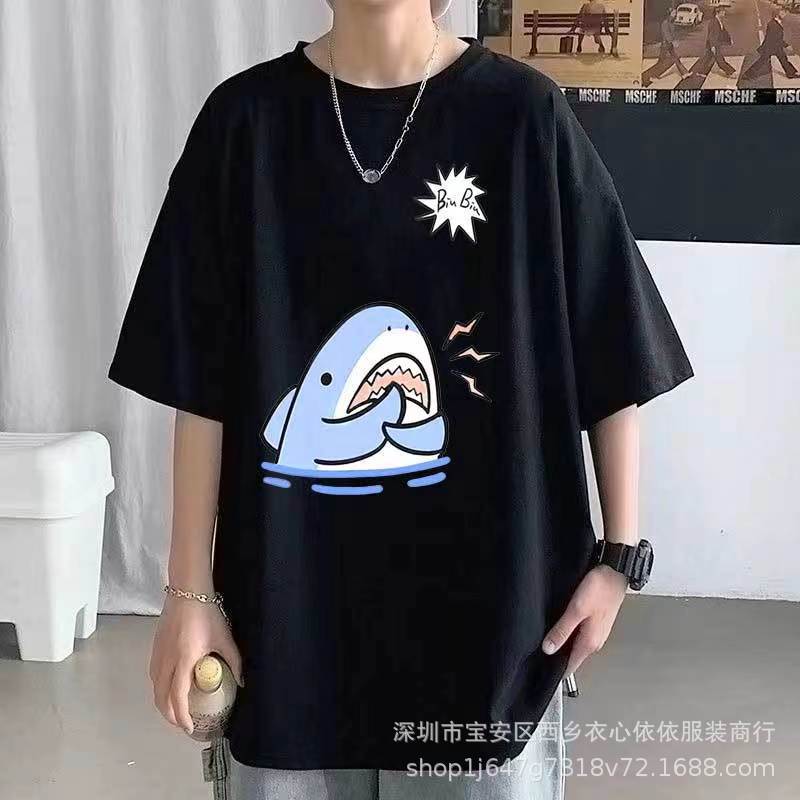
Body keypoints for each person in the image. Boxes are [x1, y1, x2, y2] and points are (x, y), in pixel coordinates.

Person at [109, 0, 693, 797]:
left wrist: (619, 558)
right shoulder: (243, 125)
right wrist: (188, 592)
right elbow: (196, 380)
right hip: (287, 629)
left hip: (495, 639)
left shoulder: (524, 117)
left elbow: (612, 339)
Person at [740, 7, 798, 81]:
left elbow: (777, 38)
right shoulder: (773, 24)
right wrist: (786, 45)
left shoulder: (776, 22)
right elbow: (775, 38)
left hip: (775, 46)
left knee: (783, 59)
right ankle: (748, 75)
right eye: (782, 13)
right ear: (777, 15)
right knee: (762, 61)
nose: (784, 15)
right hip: (770, 47)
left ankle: (790, 73)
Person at [642, 8, 689, 87]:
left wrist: (675, 40)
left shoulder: (671, 22)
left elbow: (673, 33)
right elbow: (667, 34)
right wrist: (673, 41)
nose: (675, 14)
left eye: (675, 13)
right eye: (674, 13)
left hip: (669, 45)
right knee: (661, 62)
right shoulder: (665, 23)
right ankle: (652, 76)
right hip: (665, 45)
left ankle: (684, 73)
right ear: (669, 14)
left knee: (676, 58)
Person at [699, 6, 736, 77]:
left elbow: (723, 31)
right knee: (720, 59)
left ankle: (701, 72)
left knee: (708, 57)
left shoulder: (719, 20)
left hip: (715, 43)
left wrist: (729, 39)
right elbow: (711, 35)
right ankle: (730, 72)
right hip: (713, 44)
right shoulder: (713, 22)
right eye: (723, 11)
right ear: (718, 13)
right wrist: (713, 46)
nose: (724, 13)